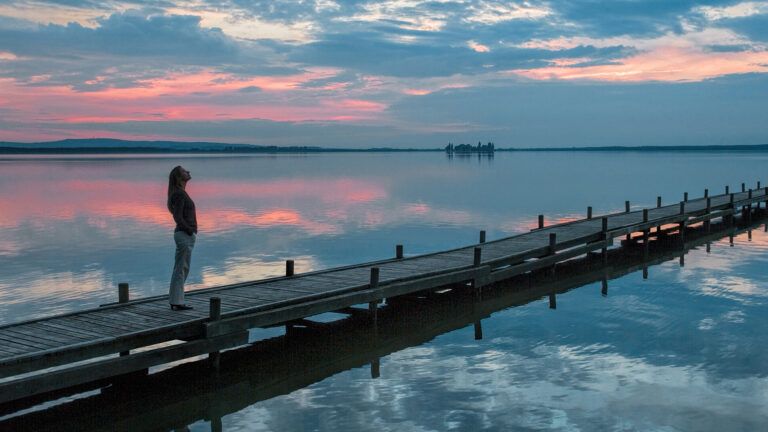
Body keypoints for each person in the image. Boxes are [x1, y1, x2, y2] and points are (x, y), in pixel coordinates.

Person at [167, 166, 197, 311]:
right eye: (185, 171)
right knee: (180, 269)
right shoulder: (179, 194)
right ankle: (177, 302)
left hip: (186, 235)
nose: (189, 172)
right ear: (179, 177)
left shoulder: (181, 193)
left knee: (182, 268)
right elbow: (177, 216)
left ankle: (176, 300)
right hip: (184, 235)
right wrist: (189, 229)